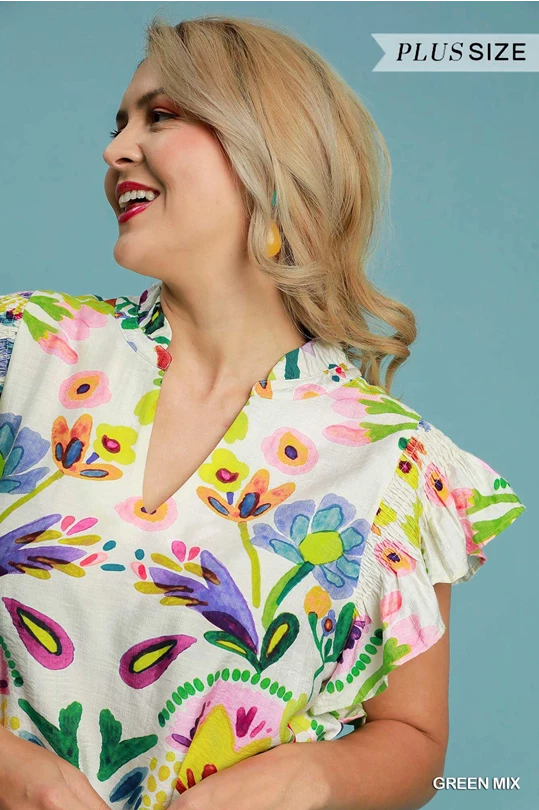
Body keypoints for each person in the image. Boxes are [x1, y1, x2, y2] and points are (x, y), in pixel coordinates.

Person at [0, 12, 526, 810]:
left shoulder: (395, 464)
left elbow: (413, 740)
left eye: (159, 116)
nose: (114, 150)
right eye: (118, 124)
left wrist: (310, 778)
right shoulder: (21, 353)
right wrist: (15, 774)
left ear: (269, 154)